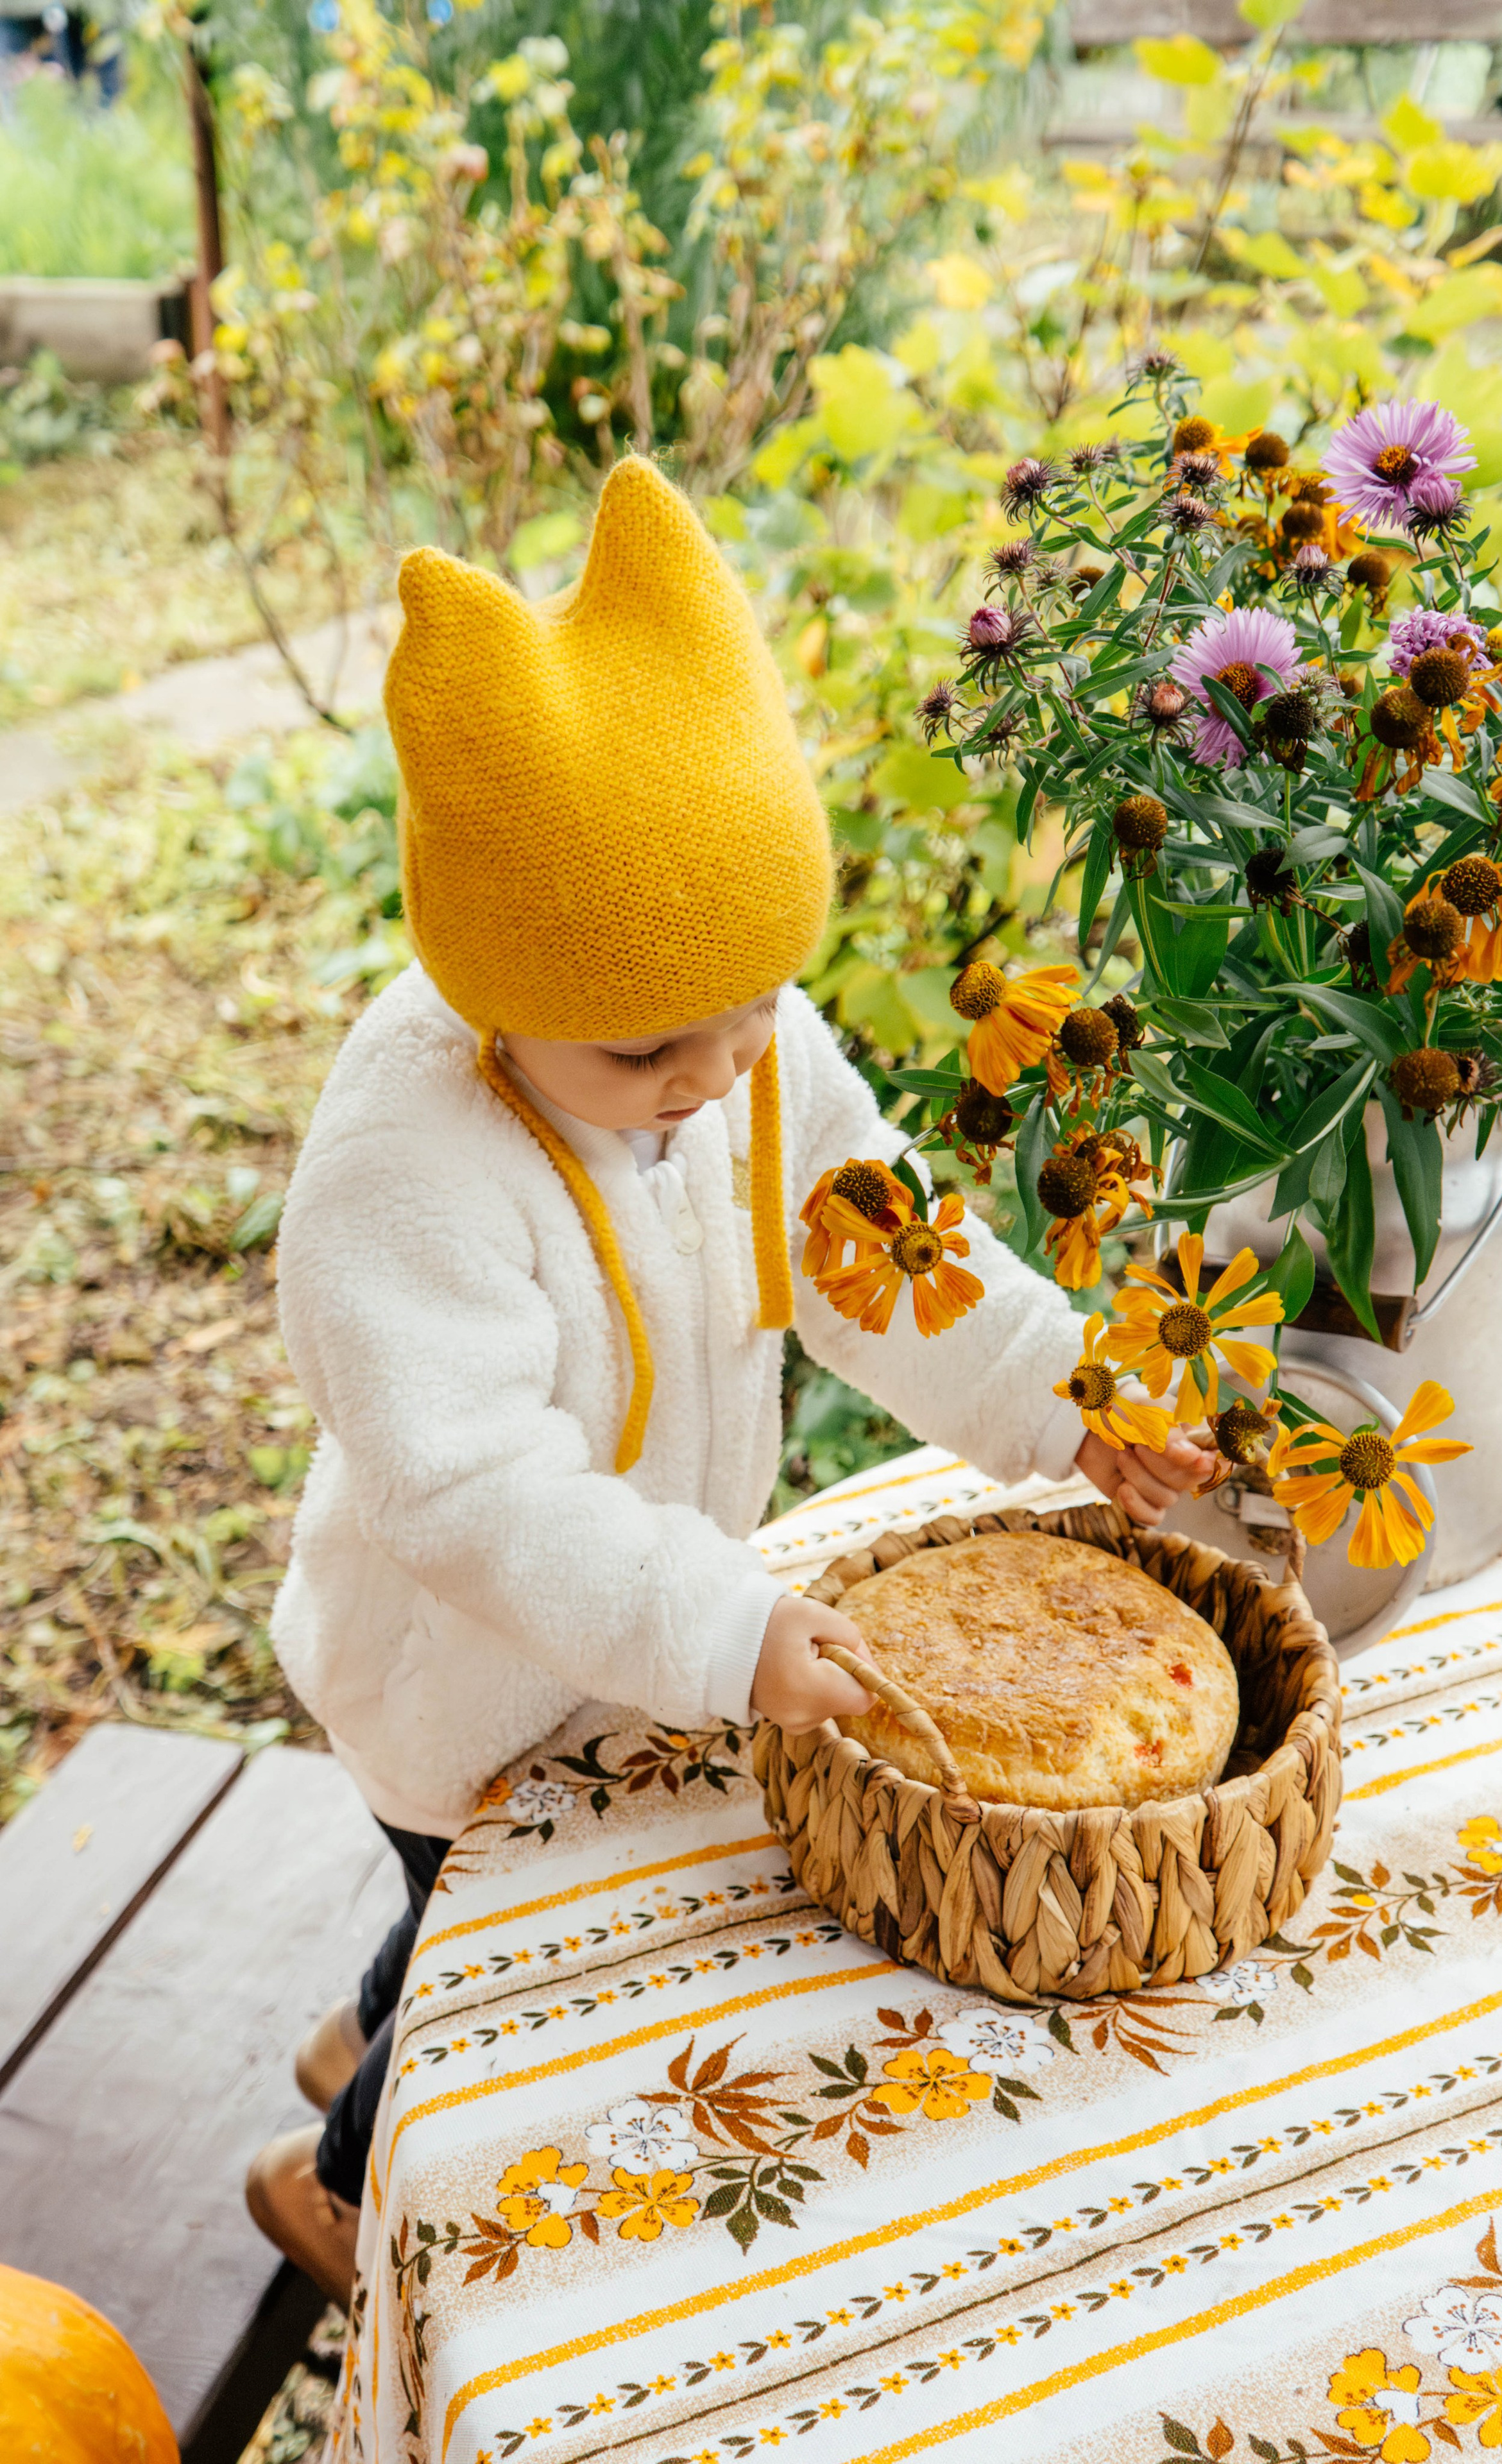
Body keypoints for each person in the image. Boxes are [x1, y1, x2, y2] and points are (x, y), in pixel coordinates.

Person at [243, 458, 1213, 2298]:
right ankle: (346, 2174)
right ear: (485, 995)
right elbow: (469, 1490)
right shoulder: (404, 1169)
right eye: (644, 1054)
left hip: (635, 1623)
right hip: (455, 1665)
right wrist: (719, 1622)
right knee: (472, 1911)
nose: (712, 1078)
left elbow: (878, 1238)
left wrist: (1059, 1387)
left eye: (754, 1012)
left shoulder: (737, 1047)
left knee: (460, 1922)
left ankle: (361, 2029)